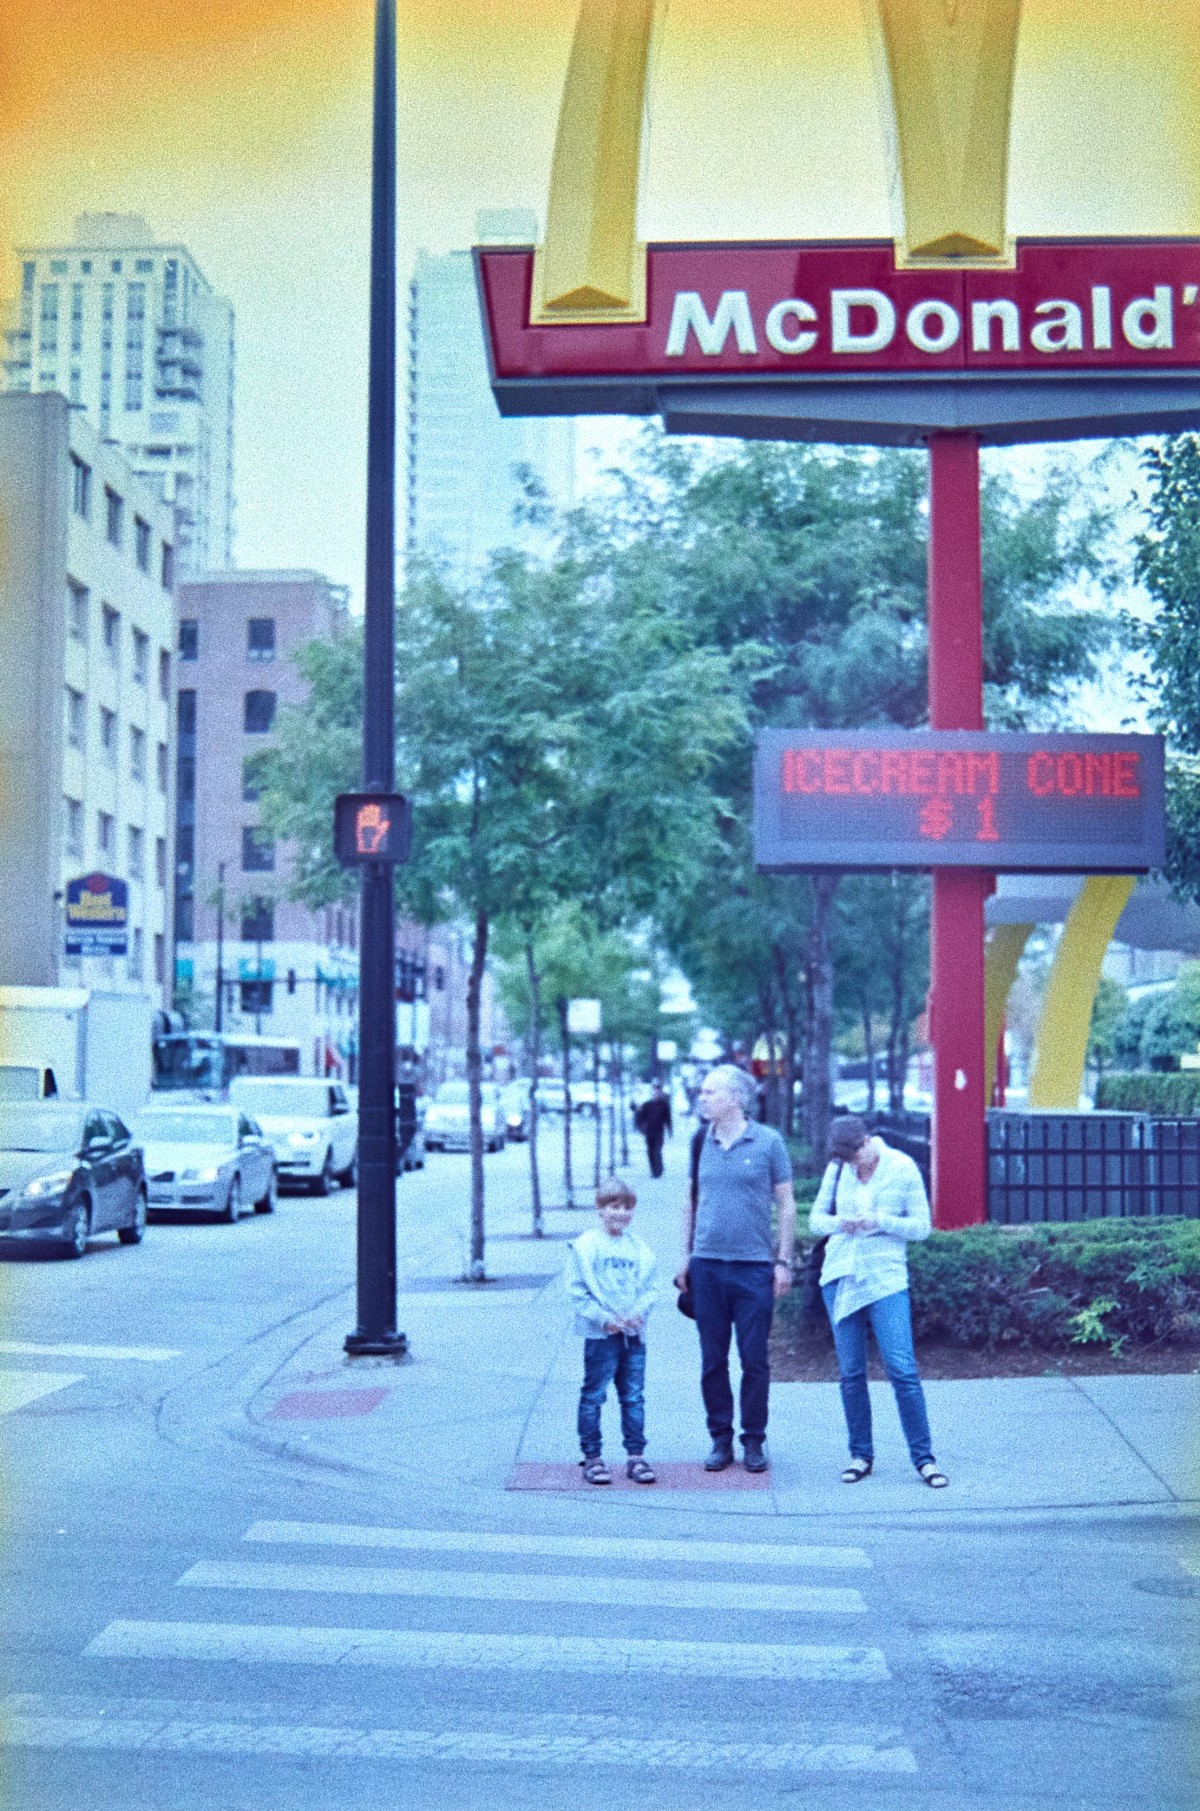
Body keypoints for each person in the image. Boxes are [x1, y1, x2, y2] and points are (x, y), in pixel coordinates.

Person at [810, 1115, 948, 1489]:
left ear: (868, 1140)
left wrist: (881, 1221)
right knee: (851, 1372)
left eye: (856, 1154)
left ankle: (924, 1458)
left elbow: (922, 1227)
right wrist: (844, 1224)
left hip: (885, 1278)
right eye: (845, 1158)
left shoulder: (902, 1167)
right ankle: (860, 1454)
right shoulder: (838, 1169)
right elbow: (816, 1220)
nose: (854, 1163)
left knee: (902, 1368)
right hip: (841, 1275)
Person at [674, 1063, 796, 1474]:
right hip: (707, 1266)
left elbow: (786, 1204)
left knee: (754, 1358)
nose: (702, 1098)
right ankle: (720, 1439)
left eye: (710, 1092)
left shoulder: (768, 1142)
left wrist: (783, 1260)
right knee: (712, 1360)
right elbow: (691, 1200)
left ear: (736, 1098)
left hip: (753, 1268)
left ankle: (754, 1440)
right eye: (703, 1092)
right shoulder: (698, 1142)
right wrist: (684, 1258)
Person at [567, 1175, 659, 1486]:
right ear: (601, 1209)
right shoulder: (585, 1246)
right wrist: (602, 1318)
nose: (621, 1213)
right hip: (601, 1336)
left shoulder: (639, 1248)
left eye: (627, 1208)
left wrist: (638, 1313)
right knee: (594, 1394)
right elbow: (578, 1291)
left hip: (632, 1337)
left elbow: (650, 1287)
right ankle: (592, 1457)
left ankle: (636, 1456)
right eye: (614, 1207)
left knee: (633, 1396)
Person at [633, 1079, 672, 1178]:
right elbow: (640, 1117)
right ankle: (653, 1170)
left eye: (658, 1092)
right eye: (654, 1093)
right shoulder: (647, 1105)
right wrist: (641, 1128)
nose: (656, 1094)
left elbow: (668, 1118)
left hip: (659, 1131)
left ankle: (658, 1170)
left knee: (657, 1151)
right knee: (650, 1151)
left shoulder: (664, 1105)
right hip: (649, 1131)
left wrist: (670, 1130)